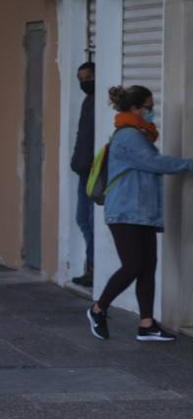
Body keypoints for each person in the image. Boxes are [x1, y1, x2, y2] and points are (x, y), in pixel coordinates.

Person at [85, 86, 193, 341]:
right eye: (149, 107)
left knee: (147, 267)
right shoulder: (130, 136)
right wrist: (192, 164)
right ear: (135, 109)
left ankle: (146, 324)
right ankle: (98, 308)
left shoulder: (138, 134)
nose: (151, 112)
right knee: (133, 265)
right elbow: (154, 163)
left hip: (141, 212)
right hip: (125, 212)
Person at [70, 61, 97, 287]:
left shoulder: (96, 102)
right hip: (83, 168)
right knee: (82, 218)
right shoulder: (89, 101)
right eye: (80, 80)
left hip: (91, 170)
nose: (84, 83)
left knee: (88, 218)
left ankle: (94, 267)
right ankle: (91, 265)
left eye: (87, 78)